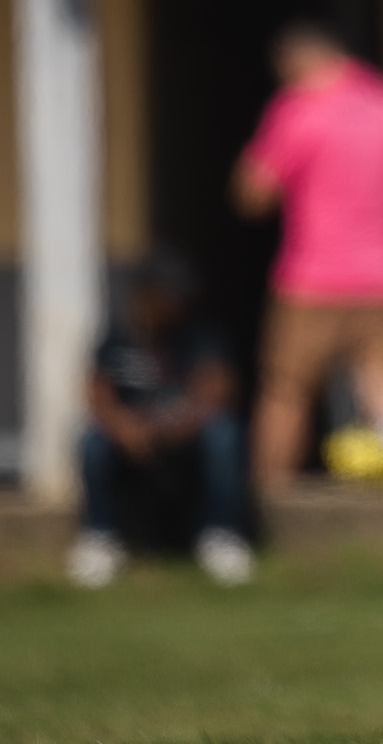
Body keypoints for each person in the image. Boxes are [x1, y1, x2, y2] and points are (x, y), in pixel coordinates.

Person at [233, 23, 383, 487]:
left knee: (286, 391)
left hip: (311, 281)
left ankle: (270, 500)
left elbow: (253, 194)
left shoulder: (297, 108)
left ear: (293, 62)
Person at [68, 250, 254, 588]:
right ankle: (101, 537)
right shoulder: (118, 334)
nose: (175, 302)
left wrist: (175, 424)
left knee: (223, 433)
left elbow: (218, 389)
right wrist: (123, 426)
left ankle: (221, 535)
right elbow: (97, 391)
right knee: (91, 441)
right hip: (132, 436)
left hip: (185, 434)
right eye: (168, 293)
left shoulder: (201, 333)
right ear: (147, 292)